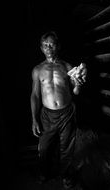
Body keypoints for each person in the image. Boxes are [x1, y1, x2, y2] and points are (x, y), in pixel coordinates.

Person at [30, 31, 87, 188]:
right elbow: (35, 95)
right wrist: (34, 119)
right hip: (47, 115)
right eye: (45, 45)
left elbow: (75, 92)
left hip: (67, 113)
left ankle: (67, 176)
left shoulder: (68, 67)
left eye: (52, 44)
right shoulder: (37, 70)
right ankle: (44, 173)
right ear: (41, 48)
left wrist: (78, 85)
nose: (49, 47)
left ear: (58, 46)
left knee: (66, 149)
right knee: (44, 148)